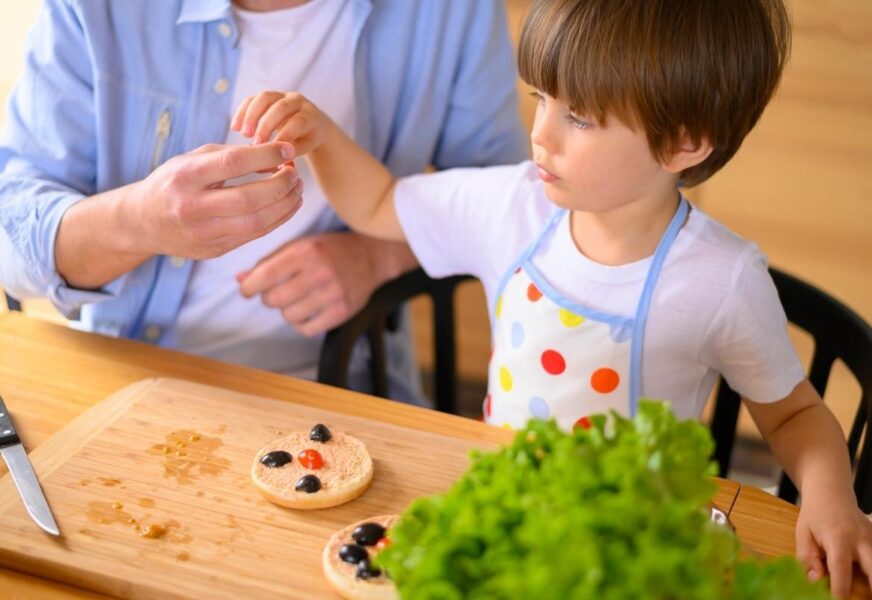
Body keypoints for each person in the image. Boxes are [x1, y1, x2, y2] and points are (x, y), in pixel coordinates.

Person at [233, 0, 872, 595]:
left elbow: (793, 416)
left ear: (683, 141)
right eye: (542, 98)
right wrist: (318, 133)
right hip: (507, 525)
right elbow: (377, 204)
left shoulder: (720, 280)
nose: (541, 134)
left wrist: (831, 498)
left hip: (629, 553)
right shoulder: (509, 207)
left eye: (580, 118)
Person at [0, 0, 527, 406]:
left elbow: (504, 202)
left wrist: (377, 258)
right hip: (118, 379)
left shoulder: (450, 13)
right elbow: (11, 234)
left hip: (340, 386)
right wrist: (141, 222)